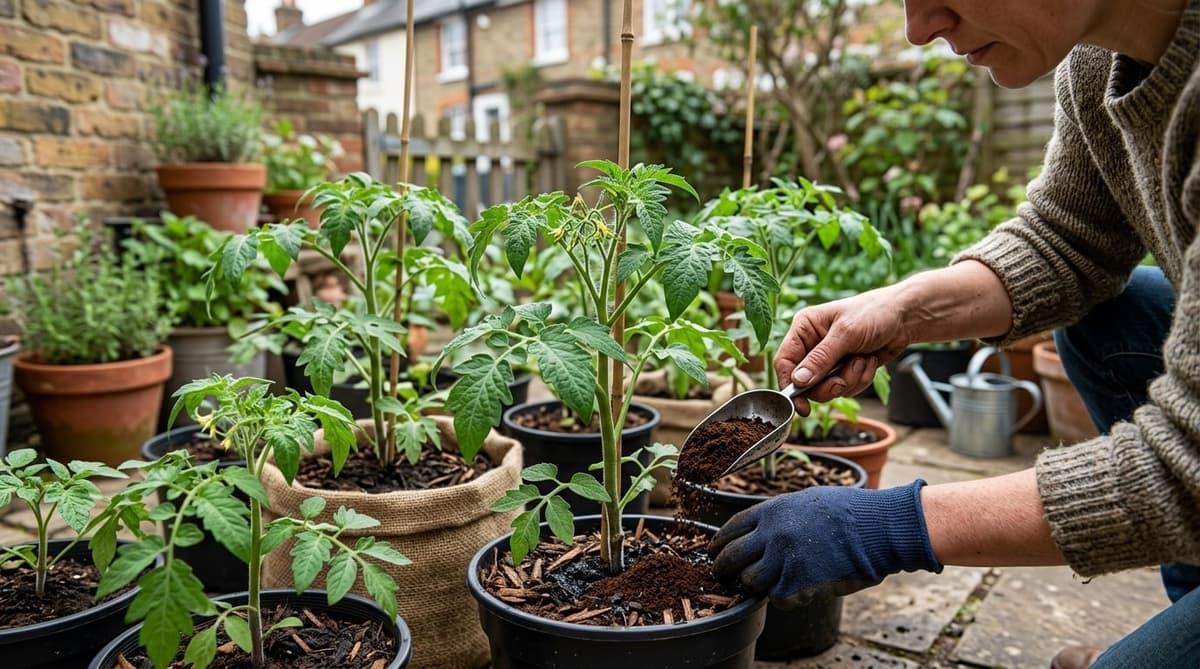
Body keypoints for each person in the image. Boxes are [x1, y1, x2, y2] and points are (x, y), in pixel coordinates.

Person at [707, 1, 1200, 667]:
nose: (918, 27)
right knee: (1117, 316)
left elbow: (1185, 467)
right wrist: (903, 309)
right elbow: (1069, 237)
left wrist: (892, 527)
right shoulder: (1096, 61)